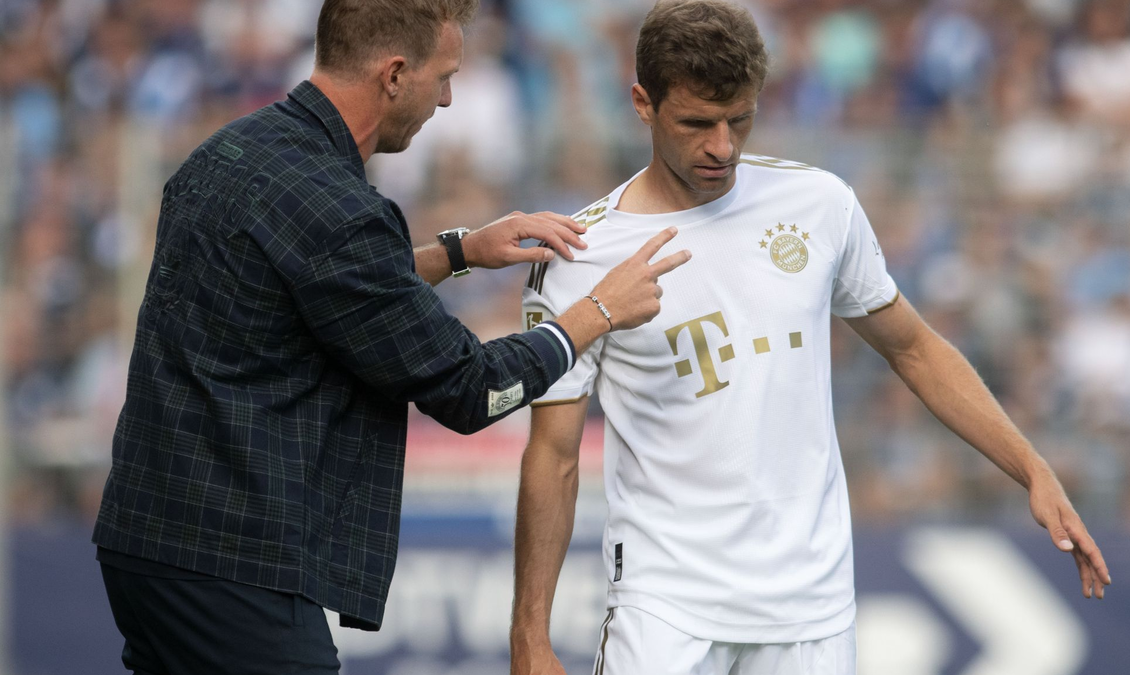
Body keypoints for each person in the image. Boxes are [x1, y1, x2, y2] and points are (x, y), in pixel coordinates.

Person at [510, 2, 1112, 674]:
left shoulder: (819, 205)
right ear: (642, 104)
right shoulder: (580, 253)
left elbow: (913, 347)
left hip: (811, 608)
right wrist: (529, 637)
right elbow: (554, 455)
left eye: (739, 118)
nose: (723, 147)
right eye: (697, 123)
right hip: (665, 605)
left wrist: (1032, 467)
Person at [90, 0, 690, 672]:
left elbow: (308, 283)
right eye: (444, 77)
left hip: (142, 543)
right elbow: (471, 390)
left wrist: (458, 250)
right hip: (235, 563)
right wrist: (594, 313)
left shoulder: (229, 151)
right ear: (395, 74)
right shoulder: (339, 210)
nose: (449, 98)